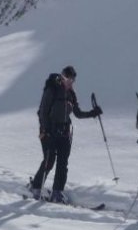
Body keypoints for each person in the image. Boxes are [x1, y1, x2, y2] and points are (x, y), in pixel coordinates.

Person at [29, 66, 102, 203]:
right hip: (49, 131)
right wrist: (45, 130)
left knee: (63, 163)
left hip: (64, 132)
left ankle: (57, 193)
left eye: (72, 80)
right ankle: (36, 187)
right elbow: (42, 112)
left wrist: (93, 113)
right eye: (68, 79)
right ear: (62, 77)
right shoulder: (52, 89)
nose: (70, 82)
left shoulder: (71, 94)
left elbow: (78, 113)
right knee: (49, 161)